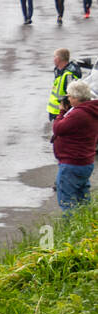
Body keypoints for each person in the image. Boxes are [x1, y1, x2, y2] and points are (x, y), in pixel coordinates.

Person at [51, 80, 98, 210]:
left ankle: (70, 227)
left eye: (70, 96)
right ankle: (87, 227)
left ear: (77, 98)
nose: (68, 99)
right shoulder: (91, 110)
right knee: (82, 201)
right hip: (84, 162)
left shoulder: (79, 113)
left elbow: (58, 128)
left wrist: (61, 112)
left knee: (68, 203)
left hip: (72, 164)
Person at [49, 48, 83, 123]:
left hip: (61, 113)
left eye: (54, 57)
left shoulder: (68, 75)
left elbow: (73, 96)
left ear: (58, 59)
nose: (53, 59)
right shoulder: (60, 72)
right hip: (56, 113)